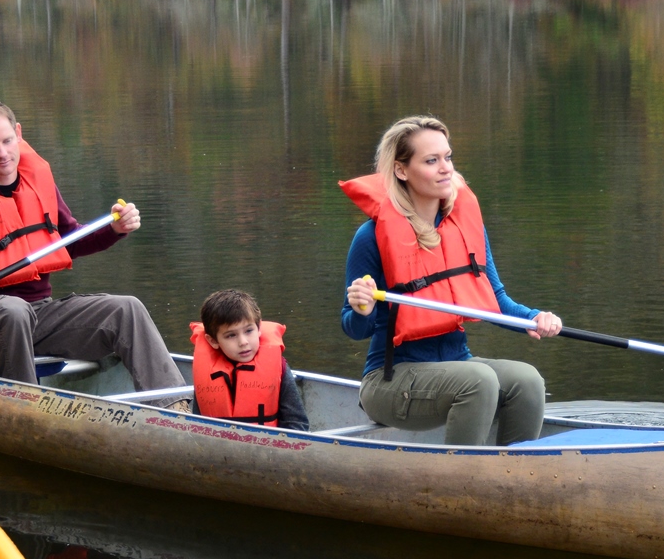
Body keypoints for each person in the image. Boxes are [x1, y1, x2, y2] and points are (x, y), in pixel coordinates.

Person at [0, 99, 184, 398]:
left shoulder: (38, 186)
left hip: (39, 315)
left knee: (126, 308)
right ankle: (29, 412)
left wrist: (114, 229)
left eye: (7, 141)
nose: (2, 154)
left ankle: (172, 406)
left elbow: (69, 243)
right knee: (13, 311)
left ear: (19, 133)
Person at [341, 115, 560, 446]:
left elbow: (496, 300)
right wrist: (362, 308)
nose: (446, 168)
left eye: (448, 157)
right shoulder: (371, 237)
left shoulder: (464, 228)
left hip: (458, 364)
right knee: (479, 381)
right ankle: (462, 485)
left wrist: (534, 318)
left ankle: (512, 479)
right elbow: (354, 329)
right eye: (431, 160)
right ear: (401, 170)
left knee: (527, 380)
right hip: (389, 380)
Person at [187, 288, 310, 430]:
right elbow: (198, 422)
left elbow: (298, 424)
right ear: (213, 341)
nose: (243, 342)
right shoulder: (206, 371)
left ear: (259, 329)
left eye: (248, 331)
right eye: (231, 335)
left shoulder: (279, 367)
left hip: (269, 449)